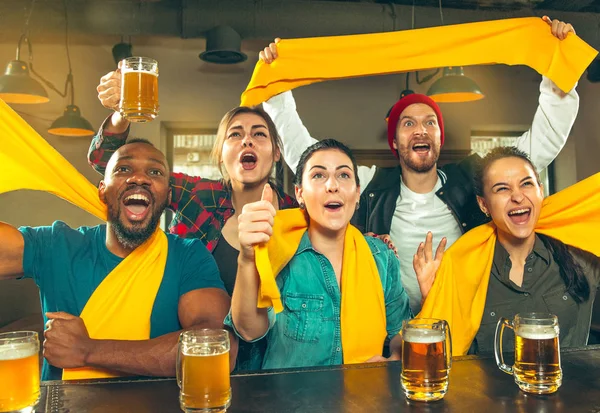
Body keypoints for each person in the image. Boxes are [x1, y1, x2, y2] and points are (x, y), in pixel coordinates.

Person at [259, 16, 579, 313]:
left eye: (430, 123)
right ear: (395, 142)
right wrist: (277, 89)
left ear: (440, 137)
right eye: (408, 124)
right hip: (386, 328)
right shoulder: (368, 184)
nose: (421, 130)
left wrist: (556, 64)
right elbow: (306, 156)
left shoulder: (473, 178)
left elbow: (541, 141)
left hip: (463, 321)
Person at [91, 76, 297, 369]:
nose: (247, 140)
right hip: (196, 356)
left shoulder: (298, 216)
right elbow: (109, 164)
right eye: (235, 135)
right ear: (221, 154)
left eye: (260, 134)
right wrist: (120, 114)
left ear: (277, 152)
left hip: (276, 363)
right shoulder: (198, 195)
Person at [0, 140, 234, 380]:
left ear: (168, 195)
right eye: (123, 169)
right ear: (102, 189)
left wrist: (89, 350)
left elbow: (218, 345)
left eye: (155, 172)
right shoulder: (56, 245)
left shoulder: (188, 255)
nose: (139, 178)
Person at [227, 139, 412, 369]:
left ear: (357, 194)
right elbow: (248, 331)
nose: (332, 185)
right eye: (318, 175)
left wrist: (393, 360)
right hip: (289, 402)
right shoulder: (279, 250)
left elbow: (401, 332)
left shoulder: (382, 257)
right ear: (300, 193)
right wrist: (247, 257)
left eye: (343, 175)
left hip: (364, 399)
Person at [415, 147, 600, 353]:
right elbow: (439, 354)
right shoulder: (464, 270)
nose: (518, 197)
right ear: (484, 204)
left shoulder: (581, 256)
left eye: (526, 184)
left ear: (541, 191)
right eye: (502, 189)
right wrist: (431, 300)